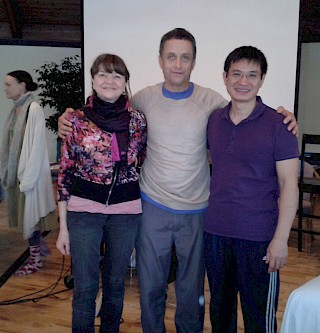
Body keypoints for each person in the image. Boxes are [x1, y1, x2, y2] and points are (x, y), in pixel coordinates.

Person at [58, 28, 298, 333]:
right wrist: (68, 118)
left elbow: (248, 110)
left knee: (190, 292)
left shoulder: (212, 103)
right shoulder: (143, 99)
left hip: (198, 212)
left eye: (185, 57)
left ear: (194, 62)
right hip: (153, 207)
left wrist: (286, 116)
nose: (177, 64)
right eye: (171, 56)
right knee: (151, 288)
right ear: (160, 60)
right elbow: (106, 107)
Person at [204, 46, 299, 333]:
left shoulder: (279, 125)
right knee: (220, 312)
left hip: (258, 236)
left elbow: (289, 186)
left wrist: (281, 240)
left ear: (261, 80)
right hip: (216, 232)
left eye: (251, 75)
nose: (243, 82)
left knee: (258, 316)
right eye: (237, 74)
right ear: (225, 77)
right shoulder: (213, 121)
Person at [56, 53, 147, 333]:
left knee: (115, 283)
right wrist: (62, 228)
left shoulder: (138, 121)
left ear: (125, 82)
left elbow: (140, 160)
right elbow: (65, 172)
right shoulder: (75, 121)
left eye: (117, 75)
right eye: (103, 74)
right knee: (84, 286)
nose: (110, 80)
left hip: (126, 212)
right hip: (84, 211)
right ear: (93, 80)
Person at [0, 70, 56, 276]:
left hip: (28, 175)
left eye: (9, 84)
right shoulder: (16, 109)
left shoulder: (33, 109)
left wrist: (28, 179)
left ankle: (34, 261)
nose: (5, 88)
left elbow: (36, 147)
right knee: (27, 218)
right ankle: (38, 250)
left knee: (30, 218)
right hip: (17, 173)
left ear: (22, 85)